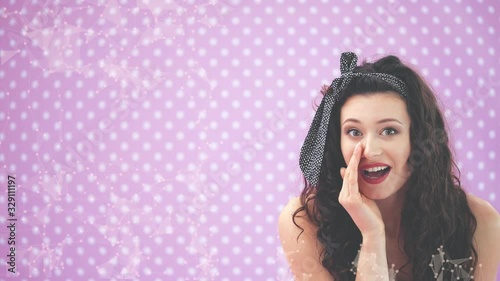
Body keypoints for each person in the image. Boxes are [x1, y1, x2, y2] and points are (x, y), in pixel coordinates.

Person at [278, 52, 500, 281]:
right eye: (354, 132)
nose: (371, 150)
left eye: (389, 131)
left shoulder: (478, 221)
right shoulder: (305, 222)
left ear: (418, 139)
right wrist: (372, 235)